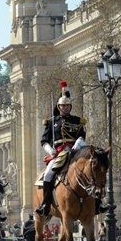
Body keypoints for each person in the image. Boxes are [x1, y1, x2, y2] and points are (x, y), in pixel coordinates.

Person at [36, 81, 87, 216]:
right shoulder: (52, 122)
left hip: (75, 151)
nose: (65, 108)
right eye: (63, 106)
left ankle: (99, 203)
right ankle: (46, 204)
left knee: (90, 169)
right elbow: (44, 140)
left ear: (70, 106)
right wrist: (50, 150)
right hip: (58, 153)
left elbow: (82, 136)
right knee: (47, 175)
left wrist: (76, 145)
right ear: (59, 107)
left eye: (67, 106)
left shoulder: (77, 121)